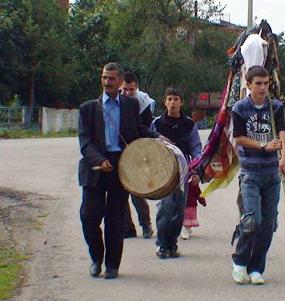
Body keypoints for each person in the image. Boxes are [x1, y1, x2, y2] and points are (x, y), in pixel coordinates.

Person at [78, 62, 159, 279]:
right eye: (104, 77)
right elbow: (85, 142)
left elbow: (137, 130)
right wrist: (99, 159)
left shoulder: (130, 105)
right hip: (95, 167)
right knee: (88, 216)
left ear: (120, 81)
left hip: (121, 167)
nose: (107, 82)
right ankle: (96, 257)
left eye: (111, 78)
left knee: (116, 218)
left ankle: (112, 265)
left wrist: (157, 137)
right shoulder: (88, 108)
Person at [231, 66, 285, 285]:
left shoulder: (275, 107)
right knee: (252, 219)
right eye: (259, 83)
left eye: (266, 83)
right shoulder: (240, 108)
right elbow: (238, 138)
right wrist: (264, 145)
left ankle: (257, 267)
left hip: (271, 174)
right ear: (249, 84)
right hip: (250, 174)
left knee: (267, 224)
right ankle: (240, 260)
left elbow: (282, 132)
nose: (263, 88)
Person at [150, 86, 202, 259]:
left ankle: (172, 244)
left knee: (179, 209)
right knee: (166, 207)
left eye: (176, 99)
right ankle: (162, 245)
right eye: (170, 99)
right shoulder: (156, 124)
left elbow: (196, 148)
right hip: (162, 171)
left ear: (181, 102)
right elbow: (149, 146)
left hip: (183, 170)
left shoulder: (189, 124)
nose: (173, 103)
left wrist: (196, 171)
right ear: (165, 102)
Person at [120, 72, 154, 239]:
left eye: (131, 90)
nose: (127, 93)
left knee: (136, 191)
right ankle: (127, 227)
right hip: (119, 151)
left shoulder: (143, 102)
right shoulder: (115, 101)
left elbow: (146, 127)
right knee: (120, 192)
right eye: (124, 90)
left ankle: (146, 224)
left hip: (137, 150)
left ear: (137, 88)